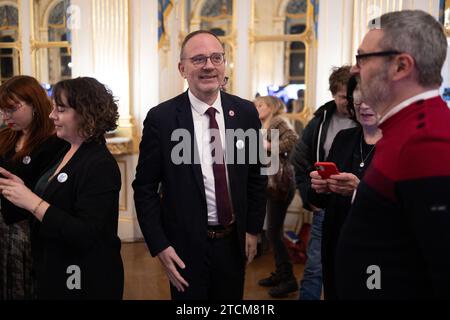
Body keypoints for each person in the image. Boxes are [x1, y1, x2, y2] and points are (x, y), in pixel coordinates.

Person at [133, 30, 267, 300]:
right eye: (198, 59)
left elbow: (258, 175)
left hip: (233, 242)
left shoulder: (246, 112)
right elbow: (145, 187)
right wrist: (159, 244)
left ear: (224, 64)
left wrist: (253, 229)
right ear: (182, 68)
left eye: (216, 58)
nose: (209, 65)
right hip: (184, 248)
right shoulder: (161, 119)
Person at [335, 10, 450, 299]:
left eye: (363, 58)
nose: (354, 69)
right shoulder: (404, 129)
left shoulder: (427, 143)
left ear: (400, 66)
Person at [0, 77, 124, 299]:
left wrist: (31, 200)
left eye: (61, 109)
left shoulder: (100, 164)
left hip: (83, 276)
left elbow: (86, 233)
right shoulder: (68, 150)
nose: (51, 115)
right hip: (57, 267)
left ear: (86, 113)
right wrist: (22, 189)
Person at [308, 76, 382, 299]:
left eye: (372, 101)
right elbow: (320, 201)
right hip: (337, 242)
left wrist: (359, 190)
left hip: (376, 248)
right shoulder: (344, 138)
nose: (365, 107)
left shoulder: (398, 145)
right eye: (359, 102)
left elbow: (405, 205)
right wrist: (319, 187)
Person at [291, 65, 356, 300]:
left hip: (358, 208)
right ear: (333, 94)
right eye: (343, 97)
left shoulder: (369, 119)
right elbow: (299, 160)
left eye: (353, 96)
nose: (349, 102)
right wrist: (310, 197)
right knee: (315, 268)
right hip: (326, 207)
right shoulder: (319, 122)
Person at [0, 75, 66, 300]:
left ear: (35, 105)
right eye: (2, 110)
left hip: (32, 232)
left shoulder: (56, 143)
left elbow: (55, 193)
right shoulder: (5, 137)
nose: (6, 116)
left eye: (12, 109)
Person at [255, 96, 298, 298]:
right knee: (274, 231)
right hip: (273, 183)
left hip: (280, 184)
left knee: (273, 232)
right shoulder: (265, 123)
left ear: (271, 107)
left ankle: (288, 278)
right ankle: (282, 274)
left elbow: (293, 140)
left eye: (260, 105)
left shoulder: (278, 121)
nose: (257, 108)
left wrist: (269, 147)